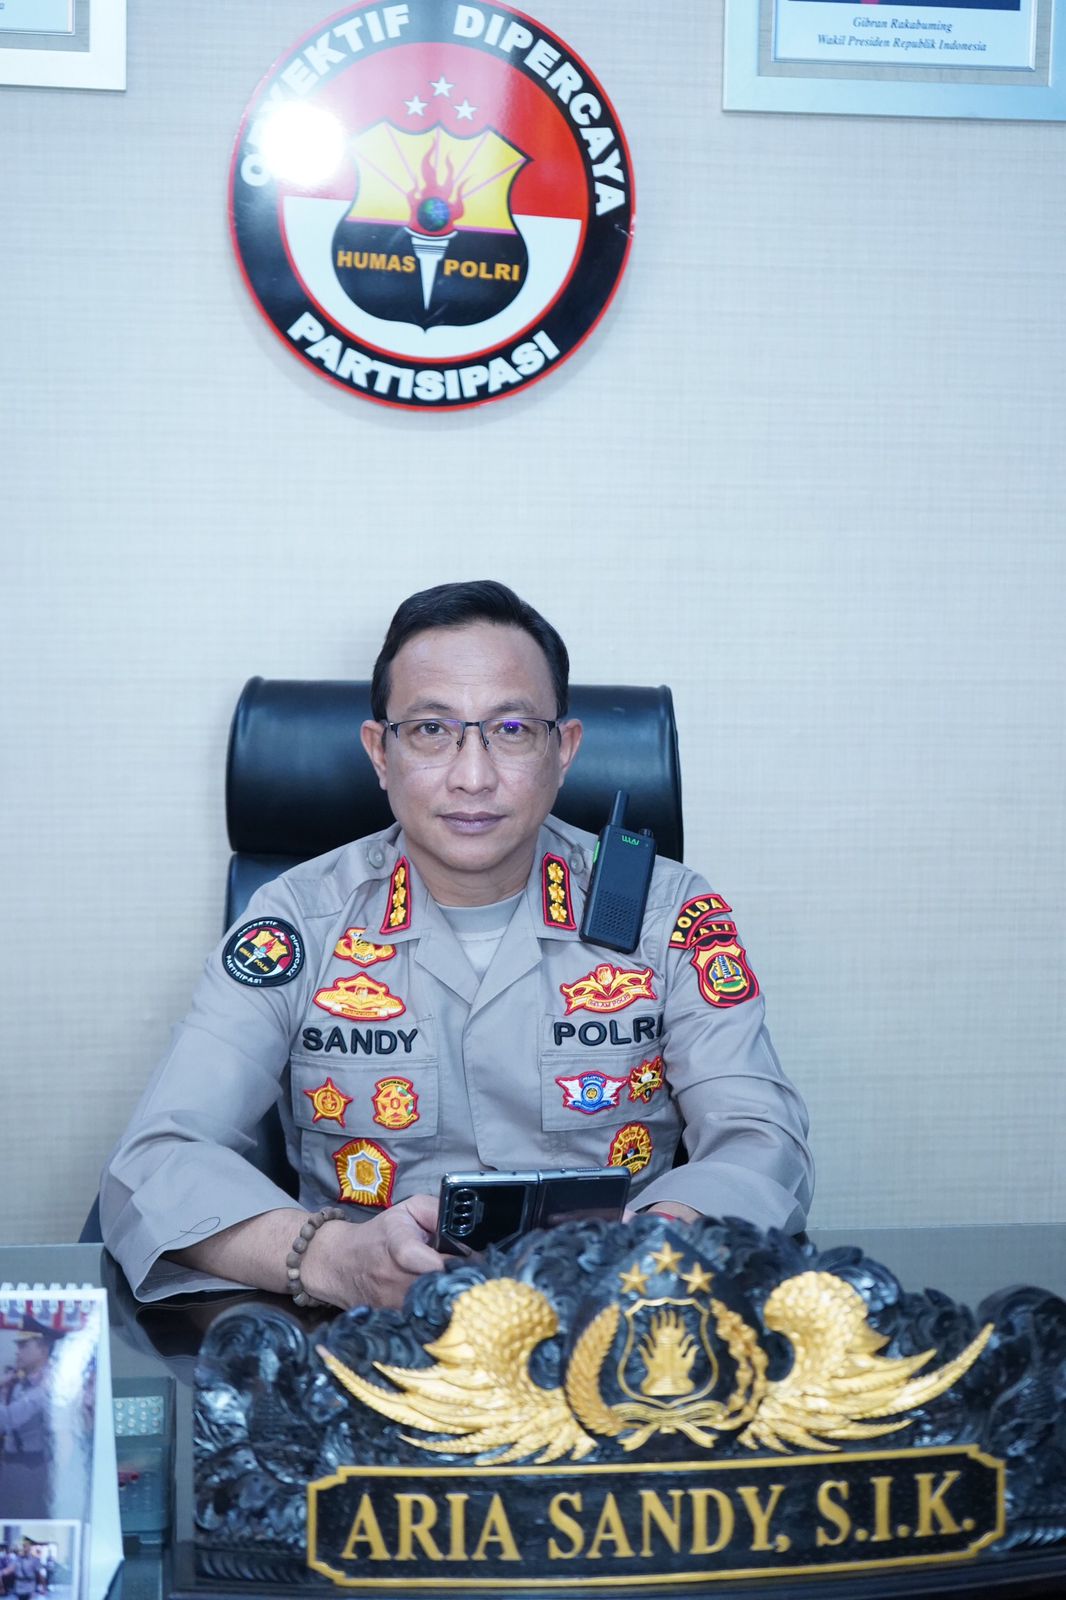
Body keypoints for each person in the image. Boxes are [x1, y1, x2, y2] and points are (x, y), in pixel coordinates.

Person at [101, 581, 812, 1311]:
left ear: (563, 749)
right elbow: (156, 1163)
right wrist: (333, 1259)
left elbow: (761, 1138)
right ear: (381, 753)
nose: (473, 777)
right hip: (368, 1335)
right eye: (431, 730)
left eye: (513, 729)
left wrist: (664, 1238)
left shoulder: (668, 914)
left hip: (616, 1322)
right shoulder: (299, 921)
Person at [0, 1322, 60, 1517]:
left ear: (43, 1349)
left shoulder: (50, 1383)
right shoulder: (17, 1382)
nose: (17, 1352)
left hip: (34, 1467)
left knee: (30, 1520)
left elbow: (9, 1418)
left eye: (24, 1346)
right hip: (10, 1465)